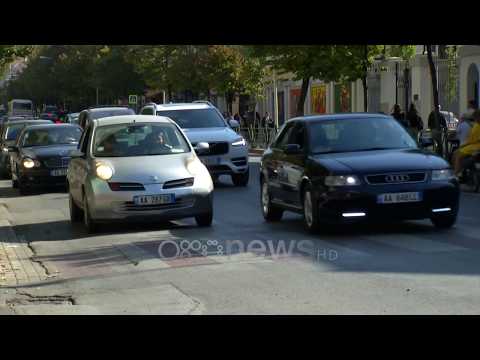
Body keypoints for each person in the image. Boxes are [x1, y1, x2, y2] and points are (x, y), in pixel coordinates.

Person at [452, 109, 480, 176]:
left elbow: (474, 140)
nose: (475, 119)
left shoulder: (476, 125)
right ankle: (458, 172)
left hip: (475, 146)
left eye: (476, 117)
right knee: (455, 153)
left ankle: (456, 174)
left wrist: (464, 145)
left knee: (457, 155)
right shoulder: (475, 125)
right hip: (471, 145)